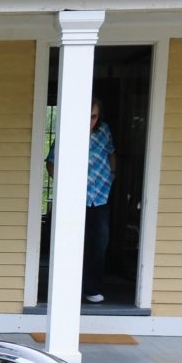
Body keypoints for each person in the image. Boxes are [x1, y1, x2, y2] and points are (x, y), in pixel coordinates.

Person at [47, 98, 117, 303]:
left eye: (94, 117)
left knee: (99, 242)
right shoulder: (67, 132)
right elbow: (51, 163)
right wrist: (65, 187)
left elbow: (111, 153)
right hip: (74, 198)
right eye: (86, 116)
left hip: (101, 195)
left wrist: (112, 175)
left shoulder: (104, 130)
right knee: (70, 241)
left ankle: (92, 289)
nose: (90, 121)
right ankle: (65, 289)